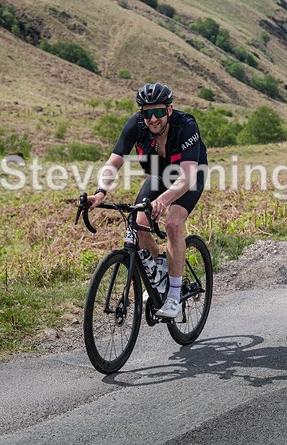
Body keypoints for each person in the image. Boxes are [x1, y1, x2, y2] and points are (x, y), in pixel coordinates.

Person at [87, 83, 208, 318]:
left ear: (169, 110)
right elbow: (114, 162)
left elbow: (187, 176)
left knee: (173, 223)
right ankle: (159, 278)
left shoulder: (186, 126)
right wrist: (101, 191)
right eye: (147, 113)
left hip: (189, 175)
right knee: (137, 223)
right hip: (159, 174)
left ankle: (174, 297)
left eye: (159, 112)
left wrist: (163, 200)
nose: (153, 119)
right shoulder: (136, 125)